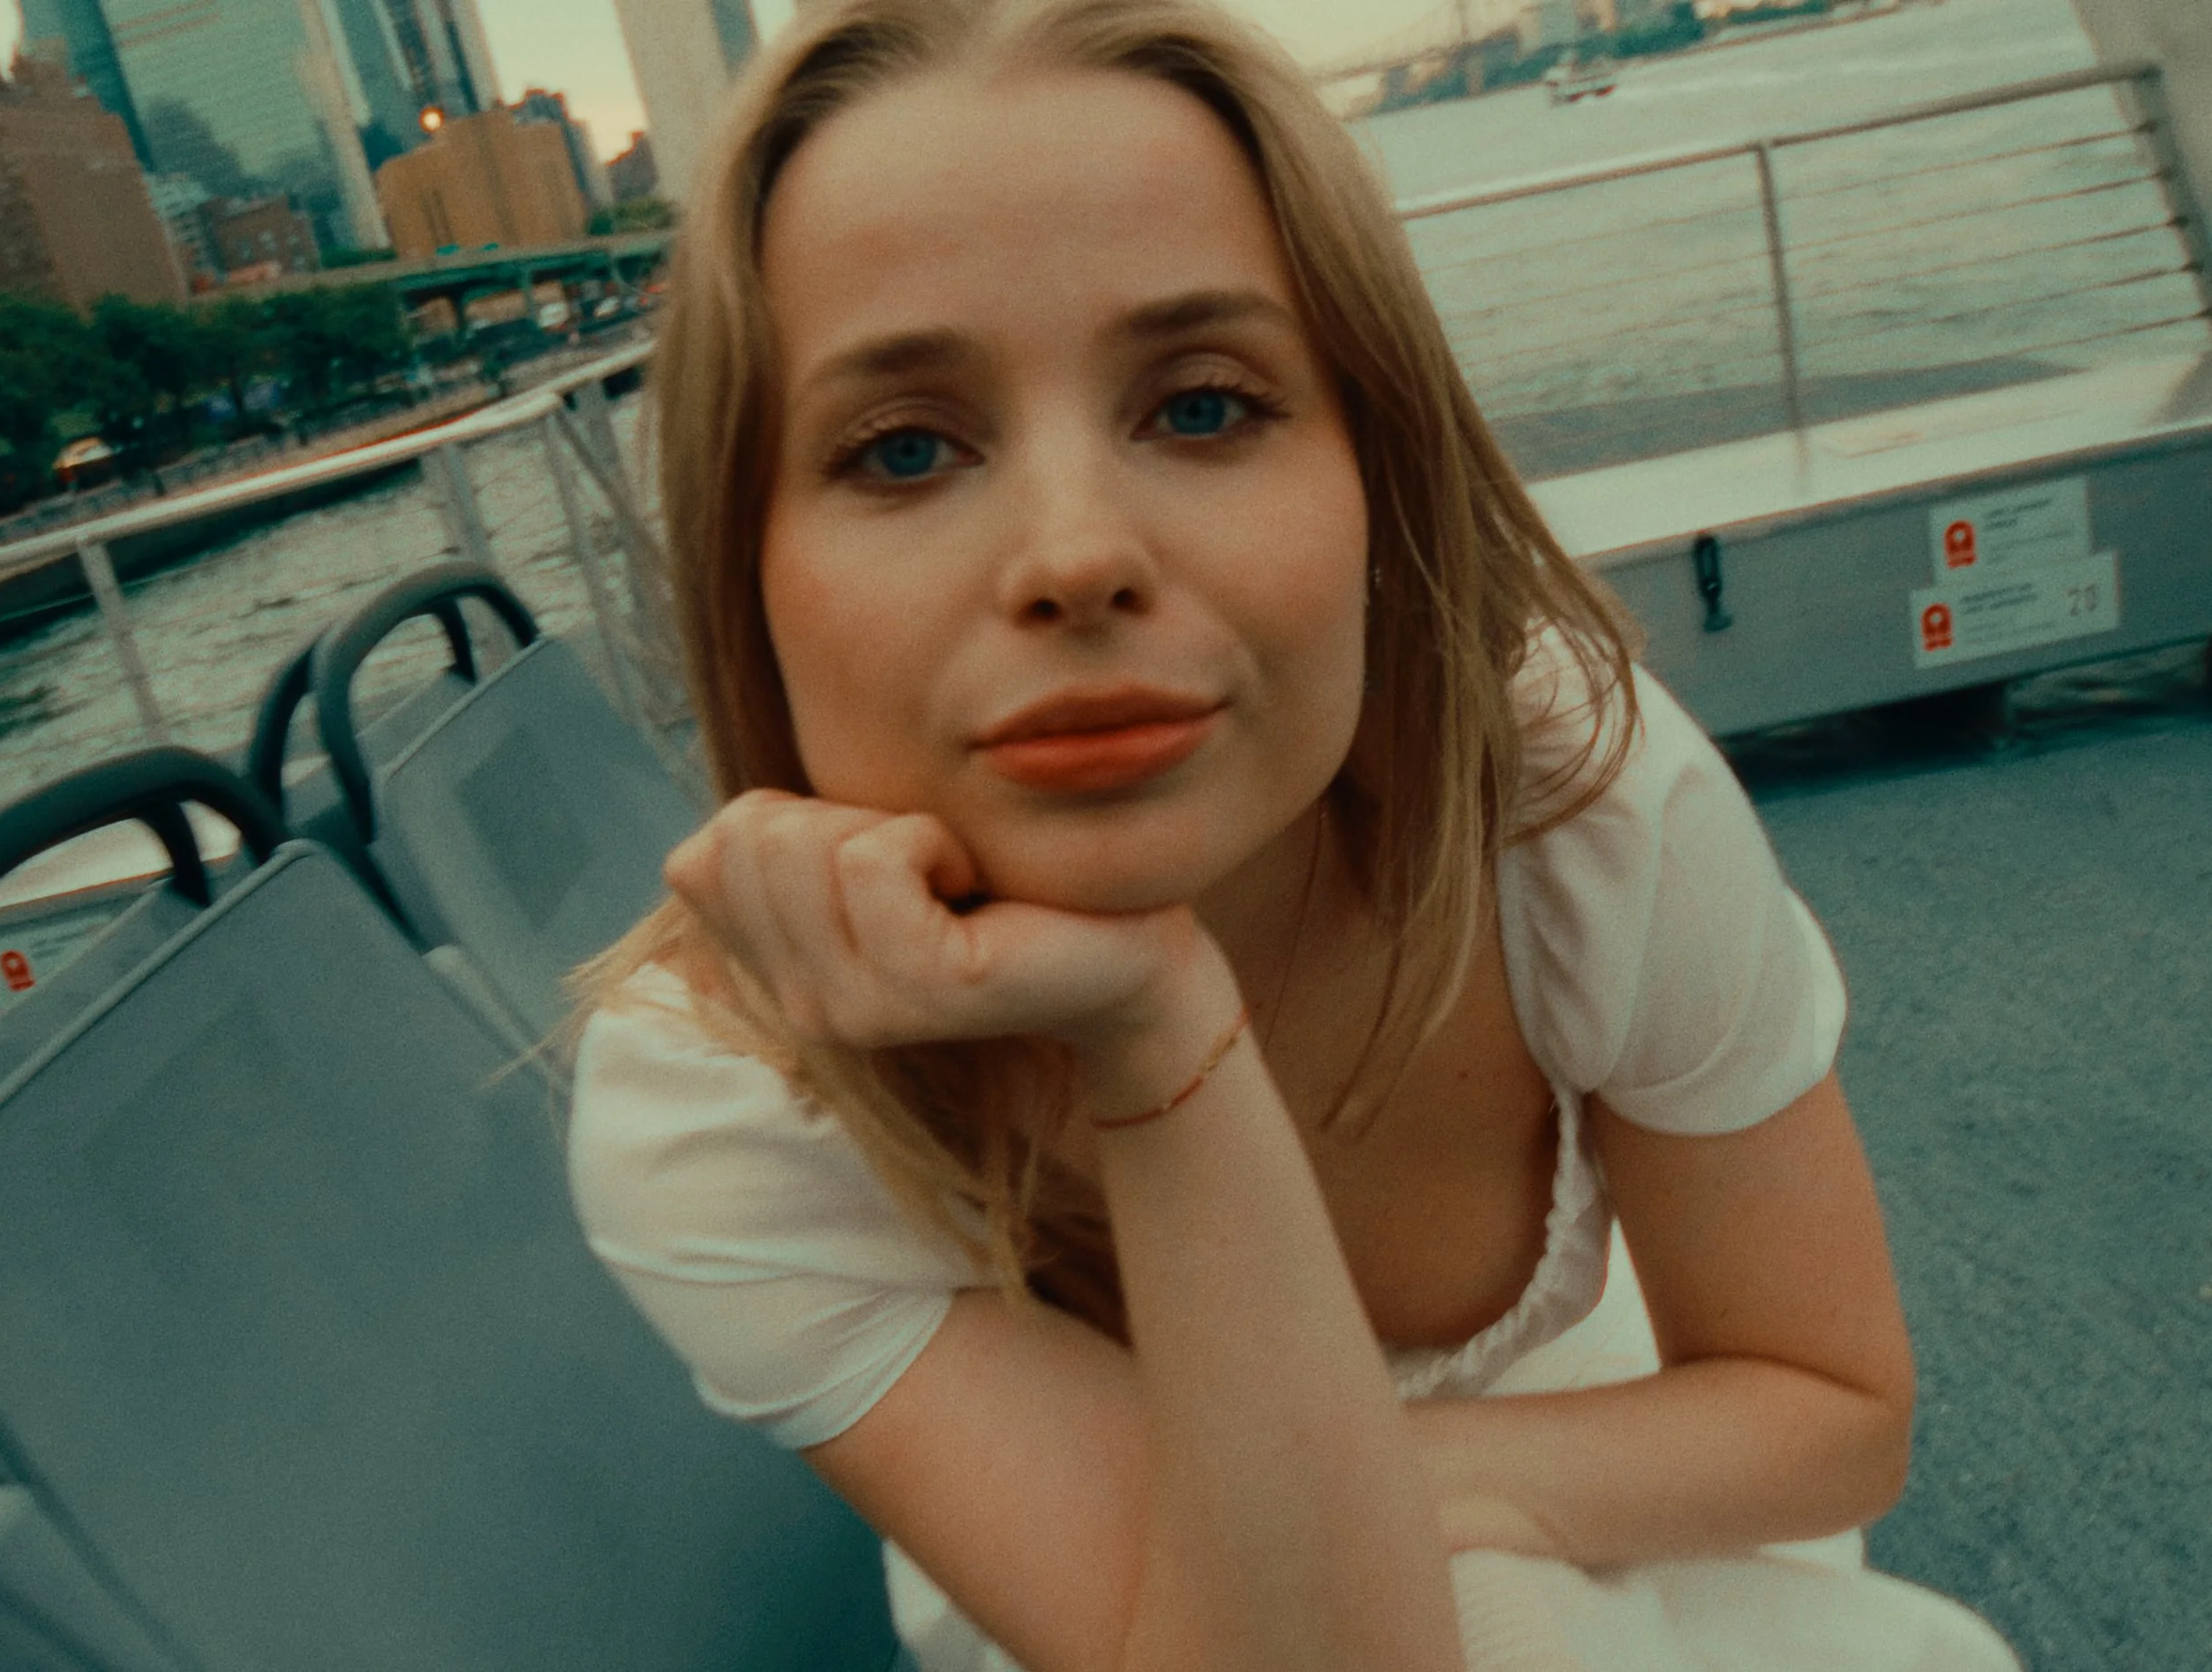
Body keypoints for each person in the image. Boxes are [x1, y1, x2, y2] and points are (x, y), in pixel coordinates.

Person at [565, 2, 2024, 1667]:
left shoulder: (1568, 802)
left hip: (1610, 1470)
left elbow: (1831, 1406)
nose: (1075, 554)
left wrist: (1355, 1477)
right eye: (903, 447)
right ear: (747, 582)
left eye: (1201, 406)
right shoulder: (719, 1103)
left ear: (1375, 476)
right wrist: (1160, 1034)